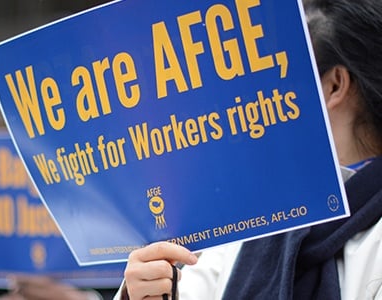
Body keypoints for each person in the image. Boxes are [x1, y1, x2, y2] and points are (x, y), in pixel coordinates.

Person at [118, 0, 382, 299]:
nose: (266, 92)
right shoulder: (259, 216)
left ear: (334, 85)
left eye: (285, 70)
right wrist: (145, 290)